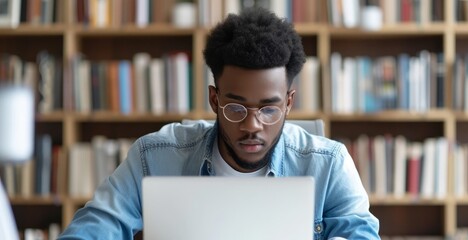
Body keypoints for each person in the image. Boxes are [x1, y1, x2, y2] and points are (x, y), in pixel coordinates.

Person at [58, 7, 380, 239]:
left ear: (289, 103)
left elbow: (361, 235)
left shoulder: (329, 164)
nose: (253, 126)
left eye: (269, 110)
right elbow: (95, 226)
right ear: (215, 100)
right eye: (236, 109)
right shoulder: (154, 156)